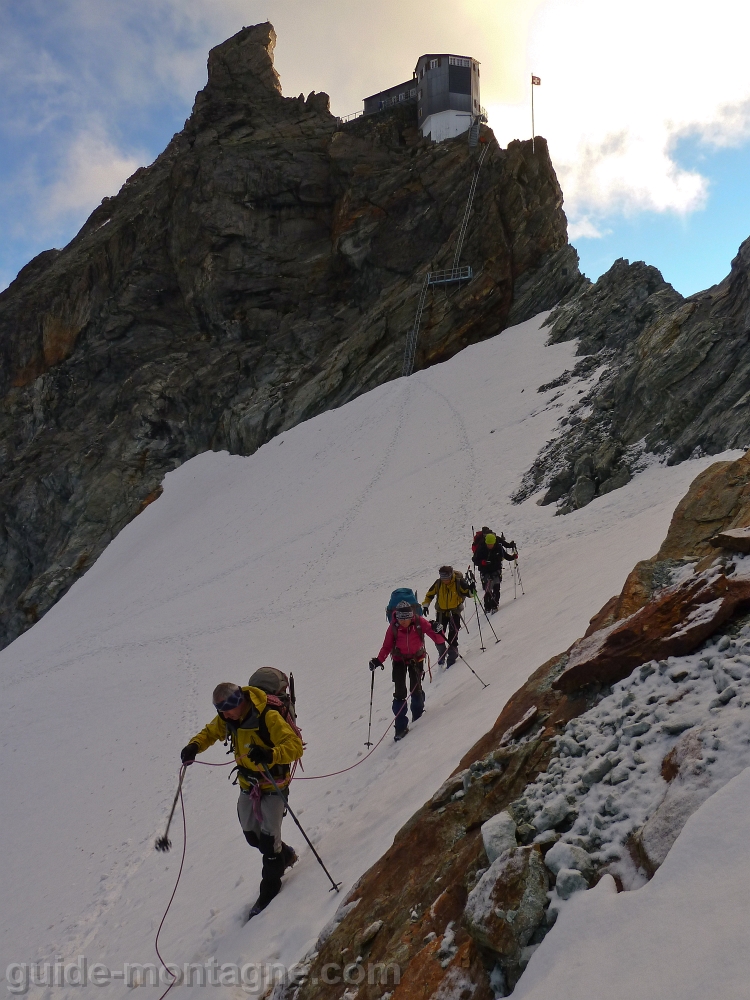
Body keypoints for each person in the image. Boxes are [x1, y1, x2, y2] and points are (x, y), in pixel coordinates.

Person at [180, 681, 303, 918]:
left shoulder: (267, 717)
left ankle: (270, 886)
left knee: (268, 841)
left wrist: (270, 754)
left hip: (274, 785)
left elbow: (295, 747)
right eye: (220, 711)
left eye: (226, 710)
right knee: (252, 835)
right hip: (249, 784)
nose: (223, 716)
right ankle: (284, 855)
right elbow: (211, 732)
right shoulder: (229, 719)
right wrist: (194, 746)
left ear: (238, 703)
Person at [369, 601, 446, 740]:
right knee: (399, 693)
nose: (403, 621)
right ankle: (400, 727)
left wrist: (439, 630)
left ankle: (418, 716)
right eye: (401, 618)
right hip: (399, 661)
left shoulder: (419, 622)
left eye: (406, 618)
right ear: (396, 617)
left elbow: (436, 636)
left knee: (415, 688)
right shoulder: (393, 627)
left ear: (411, 616)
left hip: (417, 659)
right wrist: (379, 660)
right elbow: (386, 647)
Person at [421, 565, 472, 666]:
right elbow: (430, 594)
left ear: (451, 575)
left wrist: (471, 589)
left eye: (446, 578)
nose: (445, 581)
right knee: (439, 634)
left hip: (455, 612)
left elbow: (469, 594)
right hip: (441, 613)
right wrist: (425, 605)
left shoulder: (458, 582)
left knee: (453, 633)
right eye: (443, 578)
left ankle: (452, 654)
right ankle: (442, 653)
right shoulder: (438, 583)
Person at [471, 528, 517, 613]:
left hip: (496, 569)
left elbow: (506, 556)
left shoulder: (498, 548)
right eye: (488, 544)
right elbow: (475, 559)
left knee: (496, 588)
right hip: (485, 571)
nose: (490, 546)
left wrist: (513, 557)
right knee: (487, 590)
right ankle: (487, 607)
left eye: (491, 544)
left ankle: (495, 605)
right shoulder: (481, 548)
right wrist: (482, 562)